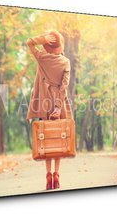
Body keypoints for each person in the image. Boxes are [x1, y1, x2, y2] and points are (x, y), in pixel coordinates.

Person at [26, 29, 73, 190]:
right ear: (59, 46)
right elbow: (64, 87)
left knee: (46, 140)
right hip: (59, 104)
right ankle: (56, 175)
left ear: (47, 46)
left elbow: (29, 42)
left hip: (44, 103)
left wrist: (41, 38)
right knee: (58, 138)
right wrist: (58, 108)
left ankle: (48, 176)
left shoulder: (42, 58)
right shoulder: (66, 62)